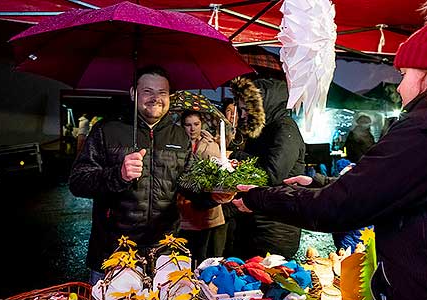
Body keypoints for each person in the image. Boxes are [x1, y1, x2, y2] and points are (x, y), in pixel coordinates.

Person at [234, 24, 427, 299]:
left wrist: (259, 198)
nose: (399, 86)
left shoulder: (419, 130)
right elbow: (390, 185)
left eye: (404, 74)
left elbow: (341, 205)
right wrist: (319, 182)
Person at [68, 65, 191, 285]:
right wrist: (118, 175)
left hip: (164, 254)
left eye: (162, 93)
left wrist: (215, 192)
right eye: (147, 91)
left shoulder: (180, 136)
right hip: (113, 251)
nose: (156, 98)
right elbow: (78, 182)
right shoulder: (107, 130)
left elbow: (189, 186)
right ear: (133, 93)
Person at [228, 75, 306, 259]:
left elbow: (272, 174)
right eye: (241, 109)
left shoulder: (285, 129)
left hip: (276, 227)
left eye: (247, 109)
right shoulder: (264, 131)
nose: (243, 115)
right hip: (256, 221)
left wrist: (237, 156)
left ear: (263, 107)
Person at [177, 110, 226, 267]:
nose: (193, 129)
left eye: (196, 124)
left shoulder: (211, 145)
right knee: (184, 258)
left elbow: (218, 173)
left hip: (207, 210)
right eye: (188, 125)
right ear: (182, 126)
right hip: (183, 208)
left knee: (204, 257)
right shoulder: (176, 143)